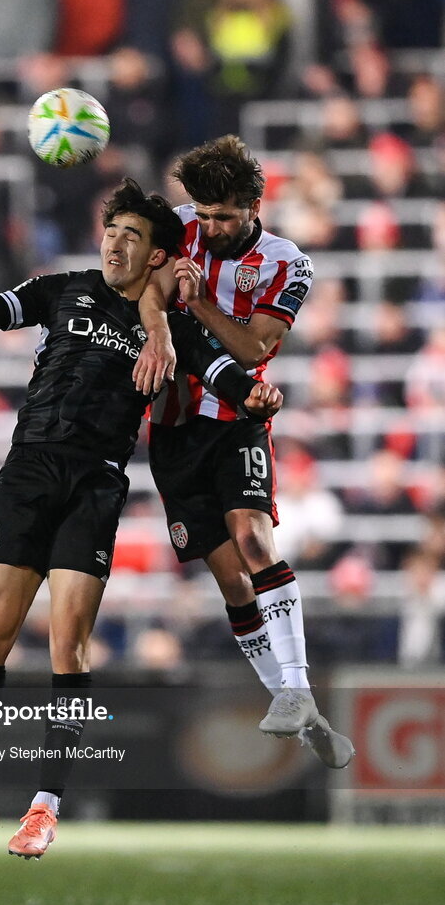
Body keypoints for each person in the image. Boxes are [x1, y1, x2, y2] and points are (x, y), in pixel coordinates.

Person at [0, 177, 282, 859]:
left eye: (131, 236)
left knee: (66, 646)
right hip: (27, 472)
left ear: (158, 255)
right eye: (111, 232)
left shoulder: (172, 328)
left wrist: (254, 395)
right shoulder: (60, 290)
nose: (115, 244)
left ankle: (44, 808)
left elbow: (223, 374)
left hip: (94, 484)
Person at [143, 135, 355, 768]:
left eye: (224, 216)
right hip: (175, 429)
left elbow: (255, 350)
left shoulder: (287, 262)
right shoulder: (175, 230)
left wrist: (198, 301)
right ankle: (301, 714)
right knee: (232, 582)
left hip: (238, 416)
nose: (209, 228)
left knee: (256, 542)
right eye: (203, 214)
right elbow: (138, 290)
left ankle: (297, 687)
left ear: (255, 206)